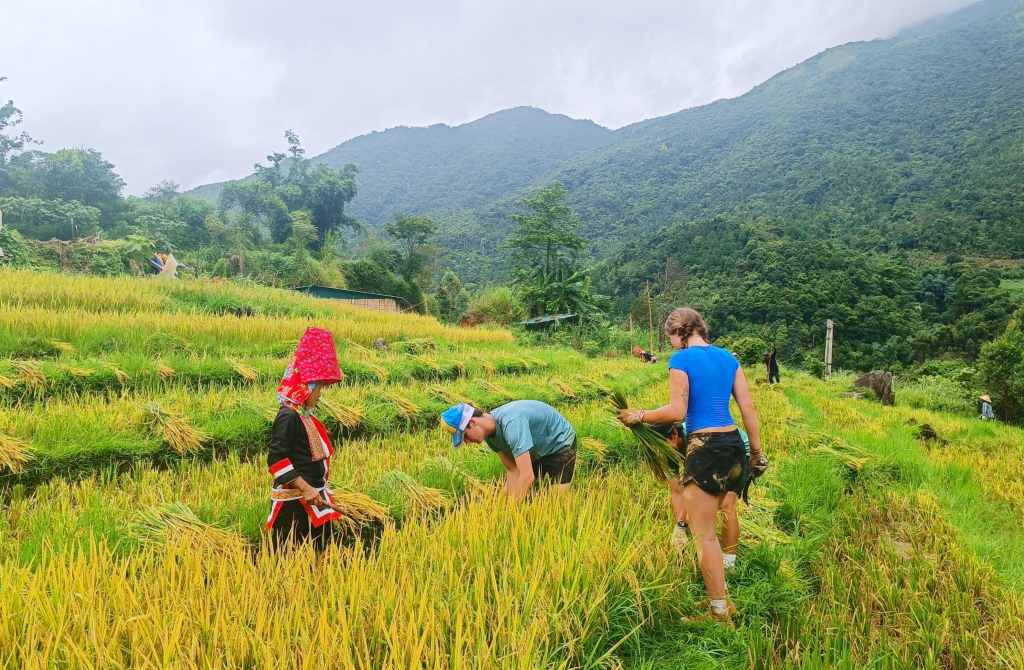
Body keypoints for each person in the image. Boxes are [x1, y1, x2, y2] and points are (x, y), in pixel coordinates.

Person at [617, 307, 768, 624]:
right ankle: (722, 598)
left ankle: (719, 612)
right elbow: (748, 407)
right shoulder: (728, 357)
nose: (671, 343)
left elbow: (676, 410)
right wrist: (755, 453)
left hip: (705, 447)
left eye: (670, 337)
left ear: (678, 332)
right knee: (726, 512)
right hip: (733, 446)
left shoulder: (681, 359)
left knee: (705, 537)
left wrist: (639, 415)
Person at [265, 327, 345, 550]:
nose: (320, 394)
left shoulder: (303, 414)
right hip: (294, 504)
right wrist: (305, 488)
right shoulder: (289, 415)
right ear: (306, 387)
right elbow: (276, 458)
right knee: (289, 560)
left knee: (321, 556)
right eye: (318, 387)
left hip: (313, 499)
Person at [652, 422, 750, 572]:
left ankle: (729, 565)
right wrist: (680, 529)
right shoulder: (666, 450)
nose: (660, 450)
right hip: (712, 453)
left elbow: (692, 491)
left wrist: (684, 523)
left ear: (675, 435)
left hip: (738, 448)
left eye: (663, 445)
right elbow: (678, 491)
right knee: (696, 511)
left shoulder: (695, 439)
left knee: (726, 505)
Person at [441, 400, 577, 500]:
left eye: (465, 436)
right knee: (524, 496)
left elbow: (527, 475)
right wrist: (504, 504)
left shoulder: (512, 425)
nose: (467, 442)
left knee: (557, 504)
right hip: (535, 447)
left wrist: (511, 512)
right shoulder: (489, 436)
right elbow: (513, 469)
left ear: (473, 422)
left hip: (559, 443)